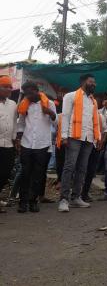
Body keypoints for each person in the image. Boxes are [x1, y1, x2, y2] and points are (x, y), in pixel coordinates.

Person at [58, 74, 102, 212]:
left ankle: (76, 197)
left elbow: (94, 121)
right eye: (91, 81)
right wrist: (64, 136)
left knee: (82, 169)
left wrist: (97, 138)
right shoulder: (70, 96)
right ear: (83, 82)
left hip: (88, 138)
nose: (94, 84)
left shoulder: (93, 101)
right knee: (69, 167)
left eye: (94, 82)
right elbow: (65, 116)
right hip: (73, 136)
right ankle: (64, 200)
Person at [16, 81, 56, 213]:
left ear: (36, 90)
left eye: (29, 93)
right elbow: (21, 123)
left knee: (38, 175)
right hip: (26, 144)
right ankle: (22, 202)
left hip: (42, 144)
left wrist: (49, 112)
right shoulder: (25, 104)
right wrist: (18, 138)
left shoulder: (49, 103)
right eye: (26, 93)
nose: (28, 96)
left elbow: (56, 123)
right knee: (25, 174)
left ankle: (33, 202)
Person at [0, 76, 17, 213]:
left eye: (10, 86)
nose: (9, 89)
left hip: (8, 144)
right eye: (5, 86)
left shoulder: (12, 104)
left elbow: (14, 122)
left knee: (5, 172)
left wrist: (15, 139)